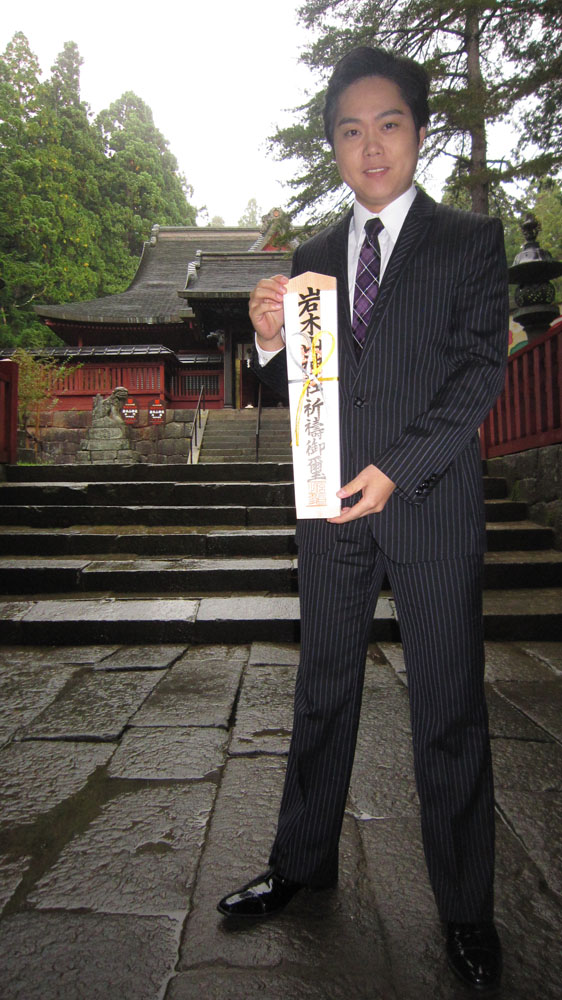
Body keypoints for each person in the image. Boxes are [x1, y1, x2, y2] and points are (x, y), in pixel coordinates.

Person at [217, 45, 509, 994]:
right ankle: (301, 863)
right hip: (331, 511)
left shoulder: (469, 240)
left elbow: (478, 373)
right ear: (335, 145)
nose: (370, 145)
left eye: (389, 124)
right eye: (351, 129)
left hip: (429, 503)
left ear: (417, 132)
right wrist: (266, 342)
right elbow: (306, 390)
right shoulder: (310, 261)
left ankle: (466, 908)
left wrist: (398, 467)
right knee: (322, 691)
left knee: (451, 708)